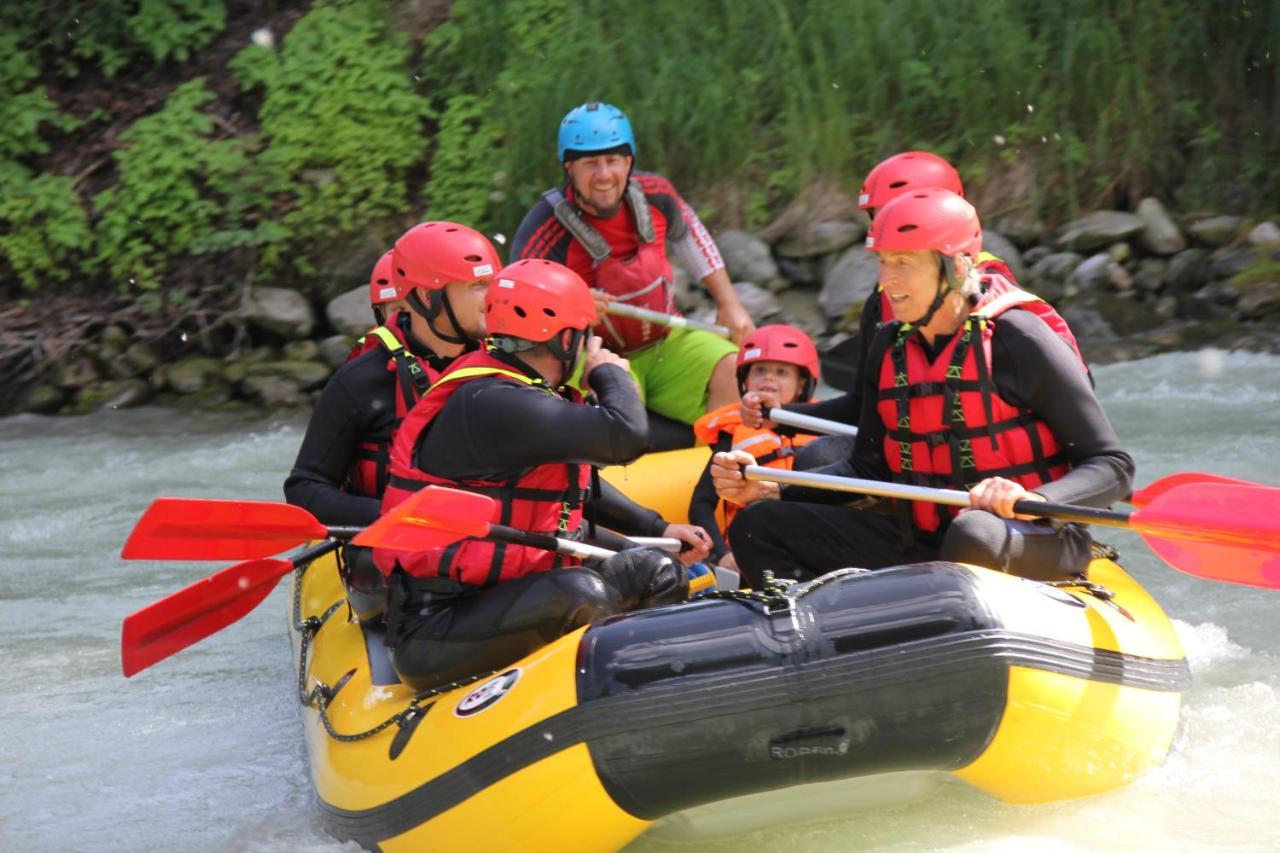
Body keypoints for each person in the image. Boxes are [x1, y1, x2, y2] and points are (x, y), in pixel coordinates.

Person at [712, 189, 1133, 588]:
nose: (886, 281)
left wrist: (1033, 495)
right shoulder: (889, 346)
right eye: (881, 263)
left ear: (955, 267)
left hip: (1028, 536)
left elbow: (1113, 465)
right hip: (923, 540)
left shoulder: (1019, 339)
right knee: (758, 524)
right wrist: (774, 486)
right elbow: (867, 469)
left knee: (975, 532)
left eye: (903, 264)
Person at [373, 258, 712, 691]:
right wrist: (610, 373)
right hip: (435, 629)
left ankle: (659, 690)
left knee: (657, 571)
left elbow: (568, 493)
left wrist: (657, 529)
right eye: (586, 333)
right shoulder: (493, 401)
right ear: (568, 337)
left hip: (504, 594)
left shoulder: (519, 390)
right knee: (580, 593)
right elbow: (627, 437)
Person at [739, 152, 1053, 445]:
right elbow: (865, 406)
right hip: (913, 459)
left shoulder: (1005, 311)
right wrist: (778, 415)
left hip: (990, 472)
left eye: (900, 218)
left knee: (820, 456)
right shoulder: (882, 303)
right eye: (880, 219)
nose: (887, 231)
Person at [284, 221, 499, 620]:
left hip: (482, 543)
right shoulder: (363, 381)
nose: (492, 299)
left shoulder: (503, 365)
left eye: (490, 284)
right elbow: (304, 490)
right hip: (391, 561)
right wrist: (399, 512)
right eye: (477, 287)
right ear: (427, 297)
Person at [510, 101, 756, 449]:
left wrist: (730, 304)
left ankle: (723, 467)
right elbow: (515, 302)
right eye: (590, 164)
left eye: (613, 161)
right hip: (591, 351)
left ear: (628, 162)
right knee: (619, 393)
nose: (604, 175)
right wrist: (570, 308)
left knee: (736, 365)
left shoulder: (656, 195)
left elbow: (693, 239)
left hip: (666, 341)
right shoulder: (543, 227)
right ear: (570, 167)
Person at [688, 325, 823, 571]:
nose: (769, 378)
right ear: (745, 380)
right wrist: (721, 554)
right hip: (753, 546)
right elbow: (701, 503)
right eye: (760, 370)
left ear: (802, 384)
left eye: (782, 372)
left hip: (811, 538)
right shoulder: (732, 434)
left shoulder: (822, 427)